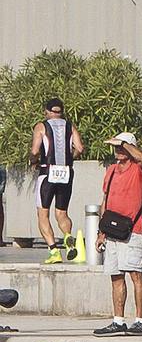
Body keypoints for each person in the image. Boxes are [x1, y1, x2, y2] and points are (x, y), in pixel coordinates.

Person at [92, 133, 142, 337]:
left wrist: (125, 144)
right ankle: (118, 320)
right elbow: (105, 200)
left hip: (132, 230)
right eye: (116, 147)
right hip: (111, 230)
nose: (117, 150)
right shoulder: (111, 171)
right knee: (116, 276)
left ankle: (140, 321)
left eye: (121, 147)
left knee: (135, 273)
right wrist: (101, 232)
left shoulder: (138, 169)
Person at [31, 98, 84, 265]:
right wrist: (70, 159)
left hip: (47, 172)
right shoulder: (70, 126)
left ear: (46, 111)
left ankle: (54, 251)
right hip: (66, 172)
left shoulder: (42, 126)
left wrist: (33, 161)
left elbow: (34, 150)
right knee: (62, 212)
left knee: (43, 213)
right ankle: (68, 237)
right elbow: (80, 148)